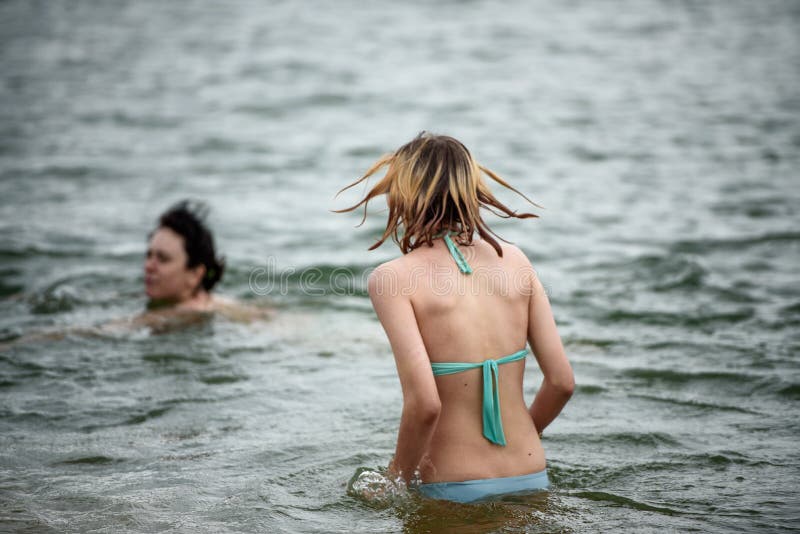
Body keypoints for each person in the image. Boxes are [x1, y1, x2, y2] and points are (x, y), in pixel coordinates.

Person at [337, 132, 574, 504]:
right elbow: (561, 382)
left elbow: (425, 404)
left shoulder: (393, 279)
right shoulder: (517, 261)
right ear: (471, 189)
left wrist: (395, 480)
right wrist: (525, 433)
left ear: (402, 194)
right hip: (531, 476)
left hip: (451, 487)